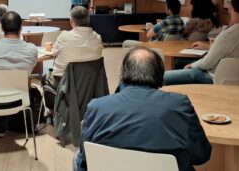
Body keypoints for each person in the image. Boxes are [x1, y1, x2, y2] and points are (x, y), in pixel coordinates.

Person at [74, 47, 211, 171]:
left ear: (123, 75)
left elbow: (86, 157)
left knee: (77, 159)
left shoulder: (96, 107)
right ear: (160, 76)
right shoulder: (179, 104)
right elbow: (201, 155)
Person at [164, 0, 239, 85]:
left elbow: (208, 62)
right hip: (237, 77)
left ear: (230, 7)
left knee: (163, 77)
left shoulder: (227, 35)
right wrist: (209, 46)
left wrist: (191, 65)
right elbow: (232, 48)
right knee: (180, 62)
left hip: (211, 77)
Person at [0, 11, 38, 137]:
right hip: (21, 99)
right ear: (21, 27)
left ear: (1, 28)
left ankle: (1, 123)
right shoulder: (31, 50)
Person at [44, 6, 103, 90]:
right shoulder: (97, 38)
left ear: (71, 21)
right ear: (88, 20)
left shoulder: (64, 36)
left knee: (45, 77)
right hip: (90, 83)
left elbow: (53, 53)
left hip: (65, 84)